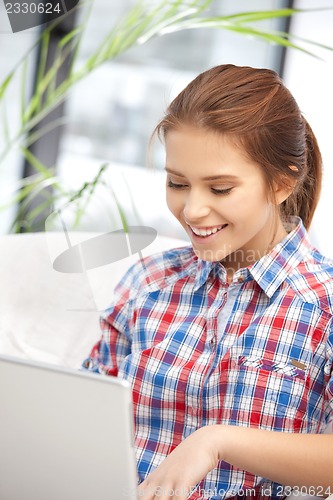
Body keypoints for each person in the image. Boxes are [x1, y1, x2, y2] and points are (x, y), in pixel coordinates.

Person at [82, 64, 333, 499]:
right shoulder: (148, 281)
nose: (193, 211)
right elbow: (79, 414)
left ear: (282, 182)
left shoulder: (323, 304)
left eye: (219, 189)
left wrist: (218, 442)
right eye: (178, 183)